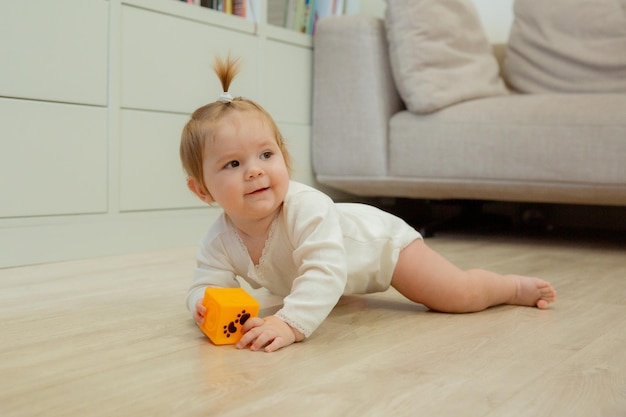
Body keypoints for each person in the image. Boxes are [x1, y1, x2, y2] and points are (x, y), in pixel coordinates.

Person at [181, 55, 557, 353]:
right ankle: (347, 295)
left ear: (284, 157)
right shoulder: (220, 240)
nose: (254, 171)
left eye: (266, 154)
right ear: (202, 190)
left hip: (381, 246)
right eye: (233, 163)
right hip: (346, 265)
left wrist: (290, 323)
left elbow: (325, 270)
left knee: (457, 295)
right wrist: (201, 304)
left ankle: (509, 288)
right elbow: (206, 283)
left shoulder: (306, 207)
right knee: (329, 289)